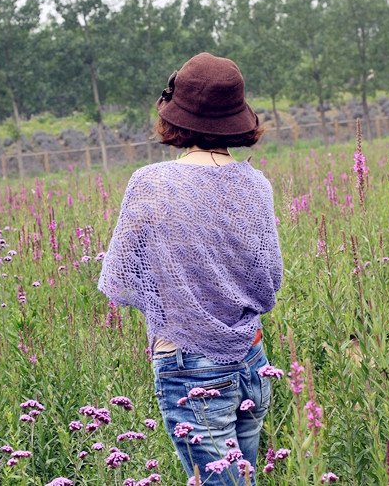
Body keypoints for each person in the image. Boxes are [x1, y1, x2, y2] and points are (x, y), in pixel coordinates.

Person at [97, 52, 283, 485]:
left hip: (188, 365)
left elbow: (122, 276)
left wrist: (179, 300)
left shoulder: (150, 184)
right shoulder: (255, 185)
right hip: (253, 359)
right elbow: (268, 283)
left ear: (175, 117)